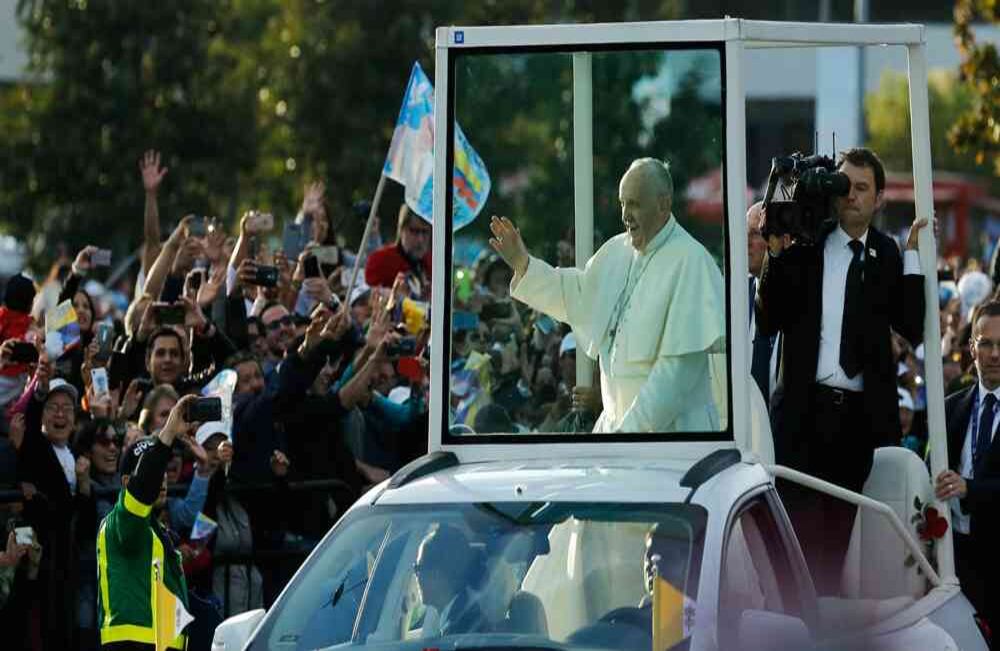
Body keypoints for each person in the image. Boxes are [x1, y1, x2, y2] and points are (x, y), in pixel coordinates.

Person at [755, 147, 928, 594]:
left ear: (880, 198)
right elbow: (769, 316)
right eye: (844, 185)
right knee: (791, 549)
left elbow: (911, 326)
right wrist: (775, 251)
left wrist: (913, 257)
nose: (851, 195)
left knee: (833, 554)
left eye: (863, 188)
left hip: (854, 426)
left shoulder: (887, 254)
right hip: (800, 417)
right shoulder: (809, 244)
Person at [490, 158, 725, 433]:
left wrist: (627, 437)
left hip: (670, 437)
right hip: (616, 431)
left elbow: (673, 376)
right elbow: (576, 295)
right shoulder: (616, 252)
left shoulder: (691, 261)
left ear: (663, 204)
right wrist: (524, 264)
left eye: (635, 203)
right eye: (622, 203)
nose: (625, 214)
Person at [96, 394, 201, 650]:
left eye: (164, 473)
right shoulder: (121, 522)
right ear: (126, 483)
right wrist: (167, 434)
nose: (161, 479)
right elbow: (143, 486)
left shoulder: (156, 530)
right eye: (155, 473)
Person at [935, 300, 1000, 631]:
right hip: (955, 562)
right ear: (971, 347)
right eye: (986, 343)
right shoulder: (949, 409)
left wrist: (969, 488)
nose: (994, 354)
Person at [413, 524, 485, 637]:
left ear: (437, 573)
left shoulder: (458, 632)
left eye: (418, 568)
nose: (416, 576)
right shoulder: (463, 615)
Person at [746, 202, 779, 402]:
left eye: (755, 233)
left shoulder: (801, 299)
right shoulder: (736, 298)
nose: (746, 241)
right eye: (744, 233)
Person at [364, 205, 432, 300]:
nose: (420, 239)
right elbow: (367, 301)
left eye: (425, 232)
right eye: (414, 231)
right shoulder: (380, 260)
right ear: (401, 230)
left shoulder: (433, 264)